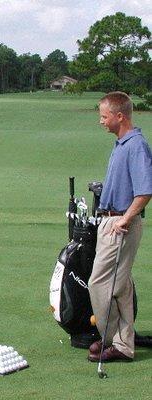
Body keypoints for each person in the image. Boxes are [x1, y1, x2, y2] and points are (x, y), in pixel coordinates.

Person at [88, 92, 152, 362]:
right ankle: (124, 345)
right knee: (121, 285)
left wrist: (125, 219)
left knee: (99, 283)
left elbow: (145, 190)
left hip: (120, 223)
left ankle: (109, 337)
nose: (101, 121)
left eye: (104, 116)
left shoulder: (135, 145)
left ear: (119, 116)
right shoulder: (122, 143)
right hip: (111, 219)